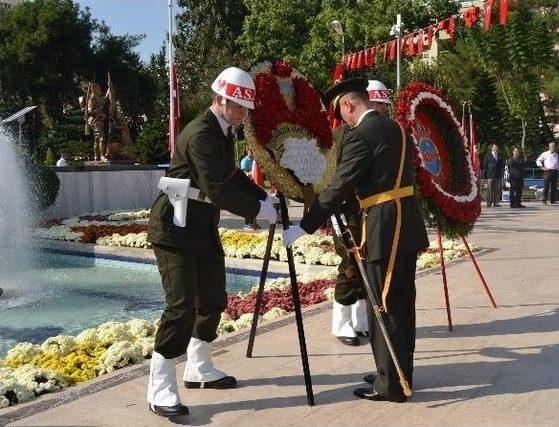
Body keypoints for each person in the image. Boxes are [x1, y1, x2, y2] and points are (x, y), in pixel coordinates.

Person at [283, 78, 428, 403]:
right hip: (405, 220)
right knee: (402, 304)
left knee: (383, 305)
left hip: (384, 225)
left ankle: (390, 385)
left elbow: (339, 187)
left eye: (341, 113)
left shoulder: (362, 136)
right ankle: (398, 373)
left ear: (349, 105)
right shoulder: (396, 129)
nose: (342, 122)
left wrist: (304, 226)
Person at [145, 67, 278, 418]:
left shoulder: (224, 133)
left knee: (214, 298)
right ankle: (160, 385)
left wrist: (263, 196)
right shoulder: (201, 133)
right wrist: (256, 209)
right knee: (181, 305)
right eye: (239, 106)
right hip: (173, 228)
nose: (244, 114)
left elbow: (231, 175)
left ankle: (198, 367)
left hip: (201, 226)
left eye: (245, 107)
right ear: (220, 100)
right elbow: (217, 189)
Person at [330, 79, 392, 347]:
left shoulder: (375, 131)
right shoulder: (344, 135)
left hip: (367, 211)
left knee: (366, 264)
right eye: (377, 104)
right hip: (346, 211)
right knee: (349, 266)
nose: (380, 110)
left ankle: (360, 320)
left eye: (383, 106)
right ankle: (340, 322)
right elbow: (335, 177)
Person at [239, 149, 260, 230]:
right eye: (252, 151)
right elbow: (244, 174)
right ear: (248, 151)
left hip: (254, 186)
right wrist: (253, 172)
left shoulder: (255, 160)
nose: (253, 152)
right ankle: (247, 224)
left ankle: (254, 223)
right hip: (246, 186)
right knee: (248, 205)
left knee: (255, 205)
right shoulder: (244, 161)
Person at [482, 143, 504, 207]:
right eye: (494, 147)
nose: (495, 148)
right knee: (489, 190)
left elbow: (502, 164)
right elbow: (484, 164)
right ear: (491, 148)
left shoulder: (500, 155)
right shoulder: (488, 155)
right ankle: (489, 202)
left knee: (497, 190)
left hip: (498, 175)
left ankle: (496, 202)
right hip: (490, 175)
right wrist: (486, 174)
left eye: (496, 147)